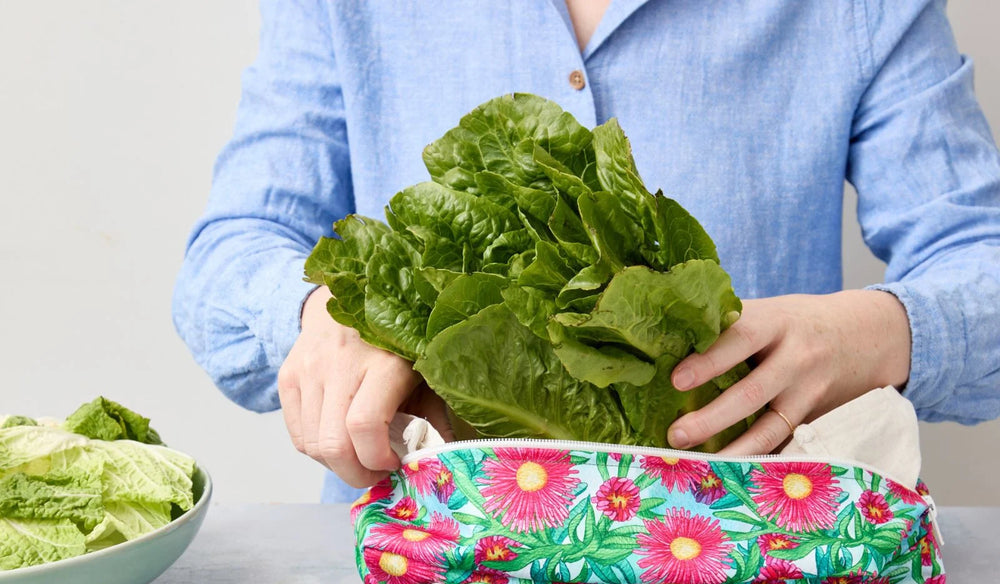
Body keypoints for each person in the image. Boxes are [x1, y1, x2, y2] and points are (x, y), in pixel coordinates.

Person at [173, 0, 1000, 501]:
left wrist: (871, 333)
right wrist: (323, 316)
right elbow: (229, 255)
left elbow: (980, 259)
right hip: (427, 583)